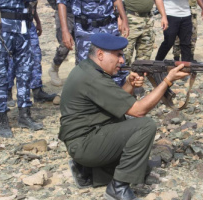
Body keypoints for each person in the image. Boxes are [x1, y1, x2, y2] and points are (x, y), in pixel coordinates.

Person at [59, 33, 189, 200]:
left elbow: (114, 102)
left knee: (126, 121)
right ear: (100, 55)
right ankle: (118, 187)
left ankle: (89, 171)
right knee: (145, 125)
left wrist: (129, 84)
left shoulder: (88, 69)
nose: (122, 60)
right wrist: (167, 81)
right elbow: (139, 110)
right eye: (118, 55)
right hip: (84, 144)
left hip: (84, 138)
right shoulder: (93, 78)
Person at [0, 0, 43, 138]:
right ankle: (2, 120)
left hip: (23, 26)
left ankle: (24, 115)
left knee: (25, 71)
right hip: (0, 26)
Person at [57, 0, 130, 86]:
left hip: (109, 26)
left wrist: (124, 19)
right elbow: (61, 2)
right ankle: (90, 97)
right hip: (85, 29)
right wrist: (65, 31)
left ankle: (118, 96)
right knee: (86, 68)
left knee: (117, 65)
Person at [7, 7, 56, 107]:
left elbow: (31, 5)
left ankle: (37, 91)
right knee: (11, 60)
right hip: (12, 24)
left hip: (29, 24)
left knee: (35, 56)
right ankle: (7, 94)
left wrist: (37, 21)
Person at [121, 0, 168, 66]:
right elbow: (117, 1)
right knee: (125, 53)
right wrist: (120, 18)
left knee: (145, 54)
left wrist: (163, 16)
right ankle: (124, 75)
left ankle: (140, 74)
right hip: (130, 18)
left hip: (148, 19)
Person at [47, 0, 74, 86]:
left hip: (82, 13)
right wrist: (56, 7)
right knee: (64, 45)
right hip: (65, 12)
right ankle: (54, 69)